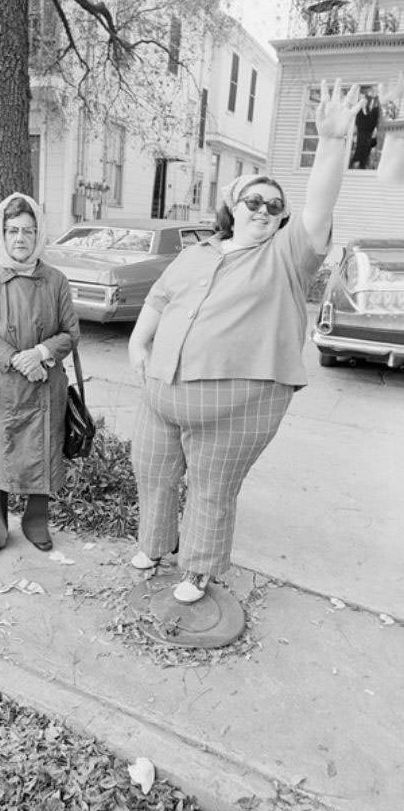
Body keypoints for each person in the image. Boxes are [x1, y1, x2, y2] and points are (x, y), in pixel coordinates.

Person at [128, 78, 363, 605]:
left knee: (212, 487)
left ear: (281, 216)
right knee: (153, 472)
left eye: (273, 204)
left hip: (237, 404)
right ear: (233, 205)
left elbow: (320, 206)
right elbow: (159, 301)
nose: (263, 208)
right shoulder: (196, 253)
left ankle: (198, 570)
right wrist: (139, 344)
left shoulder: (286, 256)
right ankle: (154, 544)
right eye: (253, 200)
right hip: (160, 392)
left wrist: (331, 143)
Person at [0, 193, 80, 556]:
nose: (20, 238)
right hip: (0, 386)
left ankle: (35, 524)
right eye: (12, 230)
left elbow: (70, 332)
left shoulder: (56, 280)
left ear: (38, 234)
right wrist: (16, 358)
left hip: (42, 388)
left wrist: (41, 353)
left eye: (28, 231)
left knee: (40, 454)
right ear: (2, 233)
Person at [350, 85, 380, 169]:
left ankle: (361, 164)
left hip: (369, 134)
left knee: (365, 150)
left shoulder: (374, 107)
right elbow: (358, 122)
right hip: (362, 135)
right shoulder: (359, 111)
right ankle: (357, 164)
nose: (363, 100)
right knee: (361, 149)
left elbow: (373, 118)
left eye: (364, 99)